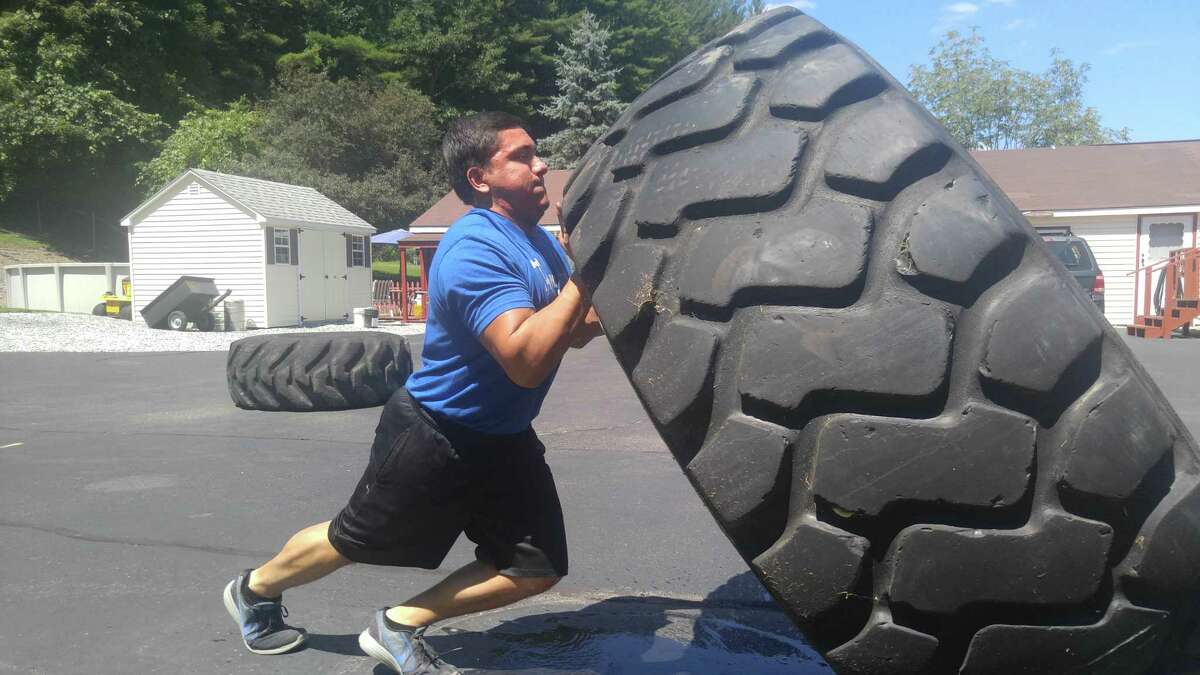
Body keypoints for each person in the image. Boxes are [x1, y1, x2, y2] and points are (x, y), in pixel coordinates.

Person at [222, 111, 603, 674]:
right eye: (522, 156)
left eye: (536, 152)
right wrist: (584, 278)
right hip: (436, 433)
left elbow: (566, 332)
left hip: (504, 437)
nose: (541, 163)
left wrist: (626, 294)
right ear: (480, 178)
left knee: (534, 566)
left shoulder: (538, 246)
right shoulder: (475, 247)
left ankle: (398, 624)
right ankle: (253, 591)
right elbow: (525, 359)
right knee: (356, 539)